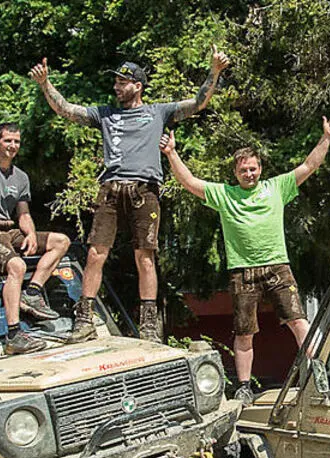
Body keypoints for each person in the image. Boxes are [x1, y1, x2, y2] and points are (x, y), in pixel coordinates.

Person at [28, 49, 230, 343]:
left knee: (144, 256)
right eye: (116, 82)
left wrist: (215, 71)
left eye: (122, 82)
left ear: (138, 86)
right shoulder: (105, 114)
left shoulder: (158, 112)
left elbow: (198, 102)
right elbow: (67, 110)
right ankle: (84, 320)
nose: (116, 87)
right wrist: (45, 84)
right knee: (96, 253)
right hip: (110, 190)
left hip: (145, 190)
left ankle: (148, 326)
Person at [160, 116, 330, 402]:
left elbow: (309, 166)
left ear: (260, 169)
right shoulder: (224, 195)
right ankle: (244, 387)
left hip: (278, 267)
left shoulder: (277, 187)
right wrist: (171, 153)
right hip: (242, 272)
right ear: (235, 173)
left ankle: (320, 374)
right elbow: (190, 182)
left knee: (298, 321)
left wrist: (326, 138)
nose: (249, 174)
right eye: (243, 170)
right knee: (244, 333)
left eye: (253, 168)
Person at [0, 123, 71, 355]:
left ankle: (33, 293)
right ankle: (14, 335)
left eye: (16, 141)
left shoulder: (21, 177)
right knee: (17, 265)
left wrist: (30, 234)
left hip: (8, 229)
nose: (13, 145)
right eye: (8, 140)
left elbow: (23, 213)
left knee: (61, 241)